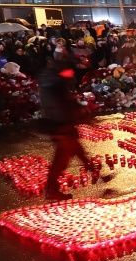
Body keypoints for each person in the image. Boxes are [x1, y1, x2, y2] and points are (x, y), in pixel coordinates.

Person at [37, 58, 100, 200]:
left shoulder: (54, 84)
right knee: (60, 162)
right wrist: (81, 117)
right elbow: (64, 108)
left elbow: (70, 104)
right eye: (69, 70)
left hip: (64, 127)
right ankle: (51, 191)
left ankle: (99, 175)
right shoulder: (55, 87)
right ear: (62, 71)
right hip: (62, 128)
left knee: (80, 153)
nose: (71, 72)